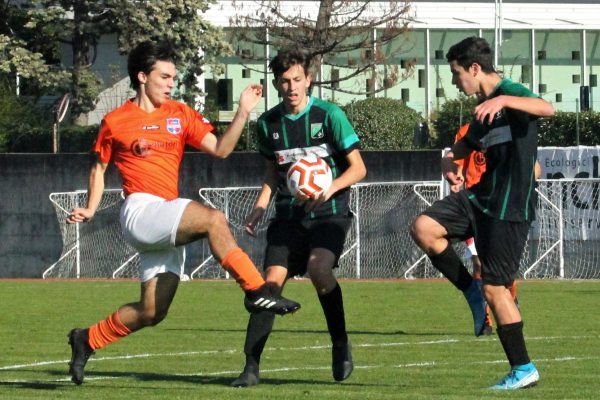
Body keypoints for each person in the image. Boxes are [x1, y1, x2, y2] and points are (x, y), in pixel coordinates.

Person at [65, 41, 301, 385]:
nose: (171, 83)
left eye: (173, 77)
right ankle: (256, 290)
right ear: (142, 77)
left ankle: (87, 339)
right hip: (141, 211)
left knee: (152, 311)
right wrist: (90, 207)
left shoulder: (180, 114)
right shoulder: (115, 121)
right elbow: (99, 169)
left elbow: (220, 150)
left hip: (166, 216)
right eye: (165, 76)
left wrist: (242, 113)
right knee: (213, 218)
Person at [410, 36, 554, 389]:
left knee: (497, 290)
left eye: (457, 73)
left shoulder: (508, 93)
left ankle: (523, 369)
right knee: (424, 227)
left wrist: (504, 98)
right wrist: (449, 160)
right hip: (479, 198)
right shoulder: (484, 108)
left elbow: (546, 108)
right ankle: (469, 293)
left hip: (508, 208)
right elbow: (463, 146)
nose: (456, 81)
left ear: (475, 68)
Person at [230, 48, 367, 387]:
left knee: (320, 270)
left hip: (328, 213)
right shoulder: (268, 123)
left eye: (296, 79)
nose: (291, 87)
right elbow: (272, 174)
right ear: (276, 84)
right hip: (288, 218)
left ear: (308, 79)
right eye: (284, 81)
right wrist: (260, 207)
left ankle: (339, 343)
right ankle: (250, 366)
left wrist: (329, 188)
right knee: (268, 286)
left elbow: (359, 168)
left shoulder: (329, 115)